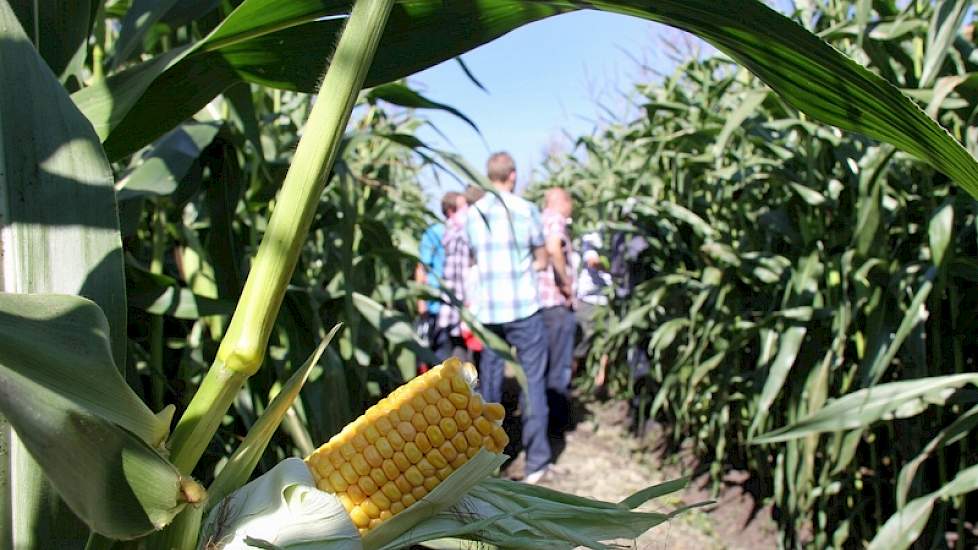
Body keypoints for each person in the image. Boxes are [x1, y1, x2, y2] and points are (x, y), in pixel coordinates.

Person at [466, 152, 553, 484]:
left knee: (488, 387)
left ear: (489, 177)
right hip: (524, 309)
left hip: (489, 313)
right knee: (532, 383)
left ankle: (488, 463)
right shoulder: (525, 209)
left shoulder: (473, 214)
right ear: (513, 175)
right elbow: (542, 259)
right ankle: (537, 462)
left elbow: (475, 258)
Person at [536, 187, 576, 435]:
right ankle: (557, 422)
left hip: (538, 305)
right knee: (559, 365)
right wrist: (566, 284)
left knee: (543, 363)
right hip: (556, 303)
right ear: (560, 201)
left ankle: (544, 418)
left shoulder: (537, 219)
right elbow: (553, 248)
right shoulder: (555, 220)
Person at [416, 192, 461, 364]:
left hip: (456, 307)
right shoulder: (434, 233)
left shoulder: (462, 231)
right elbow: (422, 267)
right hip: (436, 305)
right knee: (442, 357)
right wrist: (422, 303)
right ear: (450, 210)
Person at [436, 190, 473, 362]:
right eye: (463, 207)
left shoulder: (458, 230)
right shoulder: (456, 231)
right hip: (453, 301)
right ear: (451, 211)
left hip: (452, 303)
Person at [573, 230, 612, 381]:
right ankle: (569, 382)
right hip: (589, 299)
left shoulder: (614, 234)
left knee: (605, 343)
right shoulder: (591, 234)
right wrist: (616, 267)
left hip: (608, 299)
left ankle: (600, 380)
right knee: (579, 343)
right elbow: (592, 262)